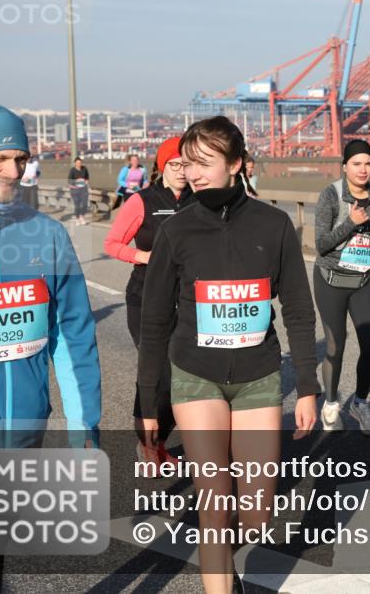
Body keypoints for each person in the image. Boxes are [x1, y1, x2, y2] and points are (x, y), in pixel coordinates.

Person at [137, 116, 318, 592]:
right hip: (196, 375)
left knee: (257, 516)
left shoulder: (274, 224)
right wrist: (146, 403)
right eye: (185, 164)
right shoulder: (176, 231)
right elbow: (155, 321)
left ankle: (227, 556)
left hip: (258, 377)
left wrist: (307, 387)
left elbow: (298, 310)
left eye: (203, 163)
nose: (192, 173)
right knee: (213, 501)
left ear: (236, 164)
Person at [0, 104, 101, 593]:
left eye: (21, 157)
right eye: (0, 158)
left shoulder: (46, 234)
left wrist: (82, 428)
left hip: (23, 430)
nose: (14, 170)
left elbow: (73, 338)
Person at [104, 137, 192, 468]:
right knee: (155, 373)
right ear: (160, 167)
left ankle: (161, 438)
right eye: (175, 164)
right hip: (145, 299)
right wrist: (145, 256)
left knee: (180, 375)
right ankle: (148, 443)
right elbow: (112, 243)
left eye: (187, 164)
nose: (182, 171)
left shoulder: (200, 201)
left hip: (186, 300)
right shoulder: (142, 201)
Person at [313, 140, 370, 435]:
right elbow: (321, 245)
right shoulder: (331, 195)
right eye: (356, 164)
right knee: (335, 346)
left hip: (363, 278)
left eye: (368, 163)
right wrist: (349, 222)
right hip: (331, 280)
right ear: (345, 166)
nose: (363, 169)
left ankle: (359, 402)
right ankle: (332, 403)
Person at [67, 156, 91, 225]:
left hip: (83, 189)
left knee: (84, 204)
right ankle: (77, 219)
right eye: (77, 163)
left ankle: (82, 217)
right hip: (75, 190)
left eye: (80, 163)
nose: (79, 164)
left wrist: (86, 182)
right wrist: (77, 183)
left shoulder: (84, 169)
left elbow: (87, 178)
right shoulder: (72, 170)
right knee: (77, 205)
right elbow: (69, 181)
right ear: (75, 163)